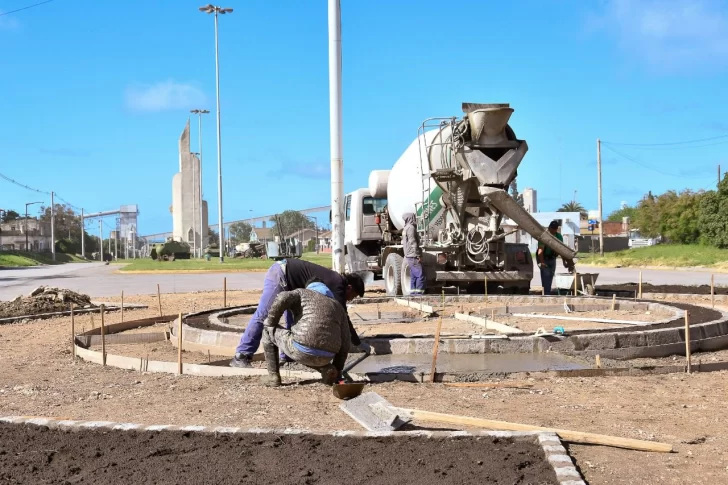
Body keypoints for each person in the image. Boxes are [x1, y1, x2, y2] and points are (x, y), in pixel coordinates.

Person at [230, 258, 365, 368]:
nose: (349, 299)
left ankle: (287, 357)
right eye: (352, 296)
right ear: (349, 287)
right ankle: (241, 355)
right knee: (265, 315)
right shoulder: (338, 283)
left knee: (295, 320)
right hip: (282, 274)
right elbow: (343, 318)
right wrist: (358, 343)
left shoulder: (335, 282)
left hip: (294, 286)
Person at [260, 278, 350, 387]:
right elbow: (345, 343)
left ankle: (273, 377)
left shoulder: (302, 293)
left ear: (309, 287)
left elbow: (283, 296)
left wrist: (271, 322)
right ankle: (328, 370)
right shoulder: (338, 307)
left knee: (267, 329)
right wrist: (337, 369)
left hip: (301, 349)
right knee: (311, 350)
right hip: (327, 356)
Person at [537, 220, 565, 295]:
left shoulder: (559, 236)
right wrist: (542, 262)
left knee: (550, 276)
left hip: (552, 258)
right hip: (543, 258)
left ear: (556, 229)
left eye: (554, 229)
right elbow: (540, 252)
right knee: (546, 277)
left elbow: (561, 249)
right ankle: (547, 294)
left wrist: (564, 261)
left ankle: (547, 292)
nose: (553, 230)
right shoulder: (544, 236)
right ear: (549, 228)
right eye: (552, 228)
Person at [402, 212, 425, 295]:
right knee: (420, 275)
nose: (415, 218)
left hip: (409, 255)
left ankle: (413, 294)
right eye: (414, 217)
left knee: (414, 276)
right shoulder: (411, 228)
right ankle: (419, 295)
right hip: (413, 255)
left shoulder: (405, 228)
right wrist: (418, 254)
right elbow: (413, 241)